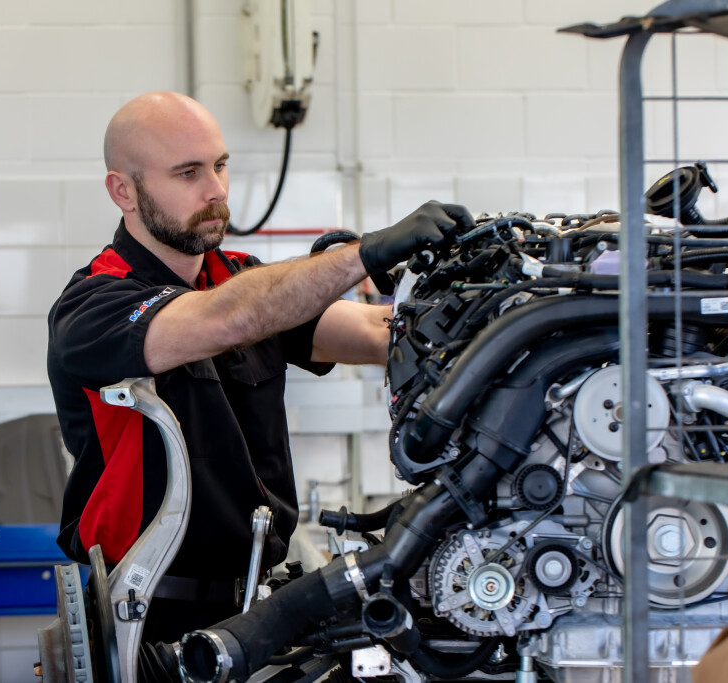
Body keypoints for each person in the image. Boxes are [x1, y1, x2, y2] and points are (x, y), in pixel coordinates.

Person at [46, 91, 473, 643]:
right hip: (145, 618)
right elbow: (227, 319)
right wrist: (363, 254)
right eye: (188, 173)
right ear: (122, 190)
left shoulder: (241, 280)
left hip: (256, 606)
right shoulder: (93, 306)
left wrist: (486, 307)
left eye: (220, 165)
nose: (217, 189)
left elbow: (377, 332)